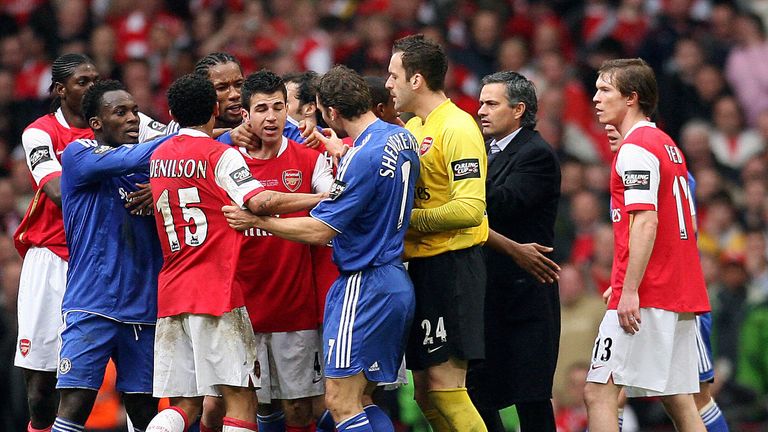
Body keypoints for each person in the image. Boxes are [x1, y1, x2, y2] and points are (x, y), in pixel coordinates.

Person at [222, 65, 420, 432]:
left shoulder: (360, 158)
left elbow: (318, 230)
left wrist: (259, 222)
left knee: (340, 402)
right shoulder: (399, 138)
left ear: (329, 112)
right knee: (361, 399)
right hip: (395, 280)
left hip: (363, 284)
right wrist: (335, 146)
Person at [145, 74, 325, 432]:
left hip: (172, 293)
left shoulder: (158, 156)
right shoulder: (221, 155)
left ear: (171, 113)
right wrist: (324, 199)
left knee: (182, 406)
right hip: (217, 291)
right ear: (218, 110)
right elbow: (260, 200)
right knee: (241, 403)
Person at [13, 53, 164, 432]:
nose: (93, 87)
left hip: (119, 260)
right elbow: (60, 192)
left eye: (96, 79)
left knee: (141, 395)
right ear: (60, 90)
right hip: (54, 257)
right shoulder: (42, 132)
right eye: (83, 81)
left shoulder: (128, 115)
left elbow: (179, 144)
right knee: (43, 388)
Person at [585, 58, 711, 431]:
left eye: (605, 89)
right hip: (680, 290)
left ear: (631, 98)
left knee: (599, 392)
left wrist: (630, 288)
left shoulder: (635, 148)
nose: (595, 98)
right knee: (679, 400)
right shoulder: (666, 144)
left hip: (650, 293)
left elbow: (647, 221)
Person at [53, 79, 172, 432]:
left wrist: (161, 185)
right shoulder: (78, 155)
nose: (133, 118)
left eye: (135, 110)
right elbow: (144, 154)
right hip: (92, 304)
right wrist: (190, 136)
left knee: (146, 414)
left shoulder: (149, 169)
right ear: (97, 124)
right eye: (121, 112)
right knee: (74, 407)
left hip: (144, 308)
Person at [385, 34, 488, 431]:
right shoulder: (413, 127)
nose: (388, 83)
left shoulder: (458, 127)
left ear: (416, 80)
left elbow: (469, 208)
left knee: (446, 387)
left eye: (394, 75)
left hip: (454, 267)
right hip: (423, 269)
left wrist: (405, 219)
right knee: (425, 392)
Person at [604, 124, 730, 432]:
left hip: (671, 298)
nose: (608, 129)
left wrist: (631, 284)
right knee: (612, 391)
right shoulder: (632, 170)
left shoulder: (659, 168)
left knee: (691, 398)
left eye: (616, 125)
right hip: (647, 294)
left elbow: (677, 235)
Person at [236, 70, 333, 432]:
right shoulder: (228, 161)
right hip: (243, 308)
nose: (271, 116)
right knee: (249, 407)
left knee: (298, 410)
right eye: (261, 108)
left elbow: (334, 205)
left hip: (295, 307)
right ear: (245, 116)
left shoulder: (309, 159)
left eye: (278, 107)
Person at [467, 71, 562, 432]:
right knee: (477, 391)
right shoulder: (485, 151)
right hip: (490, 294)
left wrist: (458, 178)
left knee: (531, 399)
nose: (481, 111)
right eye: (480, 103)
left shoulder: (536, 154)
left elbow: (502, 204)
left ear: (519, 109)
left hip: (525, 297)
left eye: (491, 103)